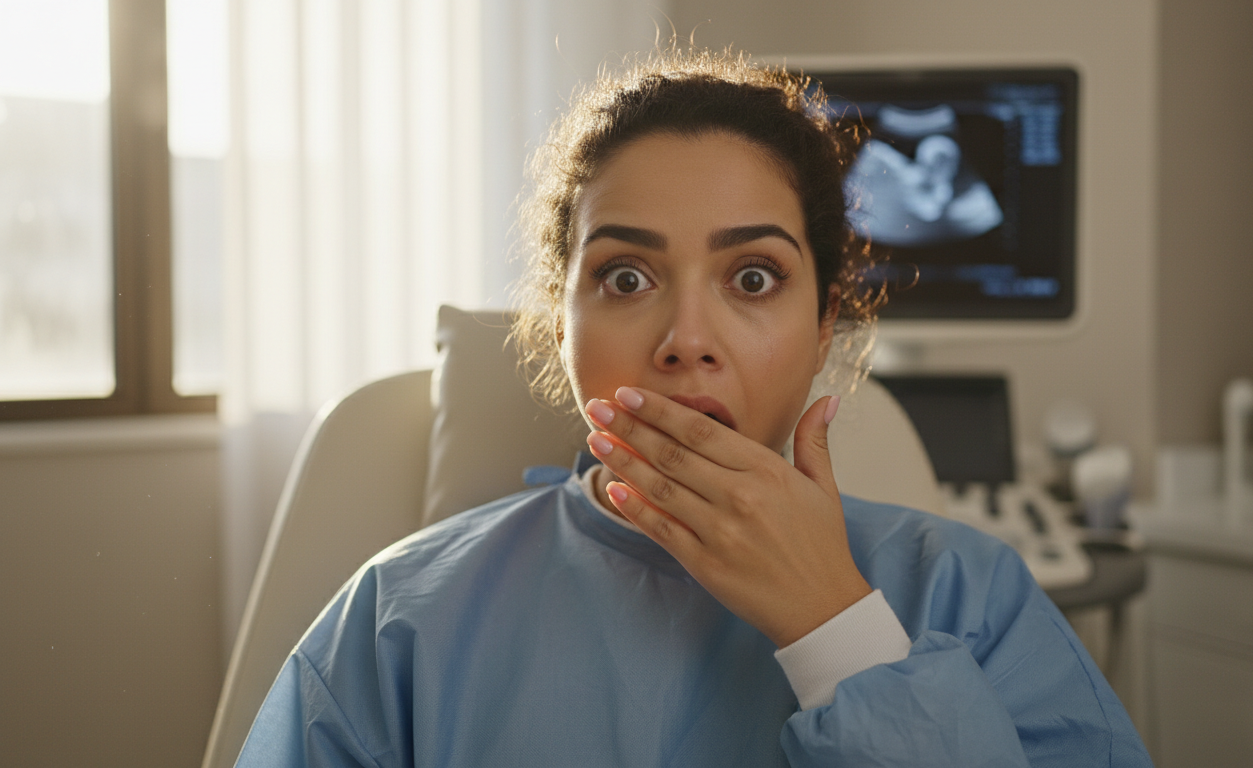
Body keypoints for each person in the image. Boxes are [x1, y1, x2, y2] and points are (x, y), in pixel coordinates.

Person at [234, 49, 1153, 767]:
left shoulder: (969, 596)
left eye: (753, 277)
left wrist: (836, 626)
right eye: (625, 277)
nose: (685, 339)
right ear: (559, 325)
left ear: (825, 320)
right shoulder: (393, 622)